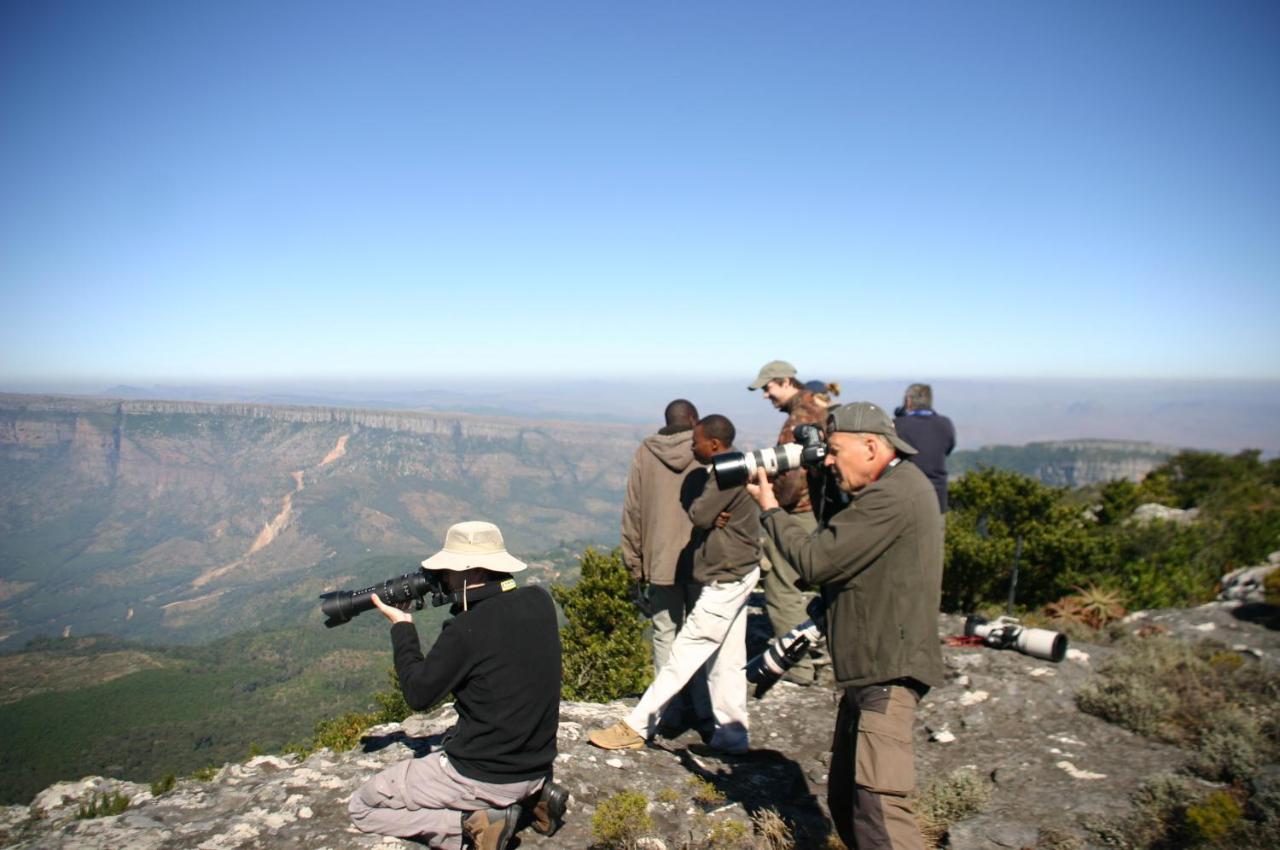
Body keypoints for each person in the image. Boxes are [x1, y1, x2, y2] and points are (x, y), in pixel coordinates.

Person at [746, 402, 944, 850]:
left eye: (835, 450)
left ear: (872, 446)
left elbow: (818, 560)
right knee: (846, 799)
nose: (829, 460)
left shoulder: (893, 496)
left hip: (886, 669)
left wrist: (771, 510)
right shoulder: (895, 487)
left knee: (878, 811)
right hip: (870, 666)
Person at [348, 521, 567, 850]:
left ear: (472, 571)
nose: (442, 578)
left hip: (488, 776)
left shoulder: (467, 629)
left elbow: (418, 694)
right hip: (537, 765)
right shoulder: (539, 600)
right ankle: (535, 799)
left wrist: (403, 627)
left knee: (363, 806)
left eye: (448, 570)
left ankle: (471, 825)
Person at [589, 414, 761, 755]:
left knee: (683, 652)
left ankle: (638, 725)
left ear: (713, 443)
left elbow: (698, 514)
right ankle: (732, 737)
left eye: (695, 440)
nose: (691, 445)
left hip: (725, 575)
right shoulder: (737, 465)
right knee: (727, 659)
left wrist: (708, 511)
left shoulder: (725, 473)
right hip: (741, 570)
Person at [619, 398, 713, 734]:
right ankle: (706, 711)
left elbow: (633, 510)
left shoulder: (646, 451)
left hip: (660, 562)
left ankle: (665, 710)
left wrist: (634, 565)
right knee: (703, 635)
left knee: (665, 636)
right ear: (692, 419)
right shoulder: (707, 450)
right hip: (703, 558)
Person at [748, 359, 829, 685]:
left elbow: (793, 479)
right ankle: (818, 655)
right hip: (821, 509)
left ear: (784, 381)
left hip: (799, 512)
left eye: (768, 388)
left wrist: (772, 503)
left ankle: (799, 669)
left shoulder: (799, 419)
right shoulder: (821, 406)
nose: (766, 395)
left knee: (781, 585)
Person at [893, 383, 956, 513]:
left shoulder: (898, 425)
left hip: (906, 497)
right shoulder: (945, 424)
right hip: (937, 498)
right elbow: (948, 449)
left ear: (908, 401)